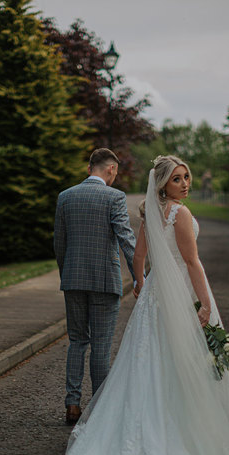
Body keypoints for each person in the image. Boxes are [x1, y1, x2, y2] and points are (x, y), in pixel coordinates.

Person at [56, 155, 229, 455]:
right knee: (178, 356)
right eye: (177, 179)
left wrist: (141, 283)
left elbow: (139, 255)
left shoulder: (152, 211)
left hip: (153, 291)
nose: (185, 184)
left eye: (186, 177)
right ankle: (182, 426)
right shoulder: (179, 212)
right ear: (163, 183)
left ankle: (104, 413)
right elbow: (191, 262)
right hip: (179, 289)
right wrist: (205, 302)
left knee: (142, 356)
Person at [53, 148, 137, 425]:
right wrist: (141, 274)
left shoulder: (65, 197)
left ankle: (72, 405)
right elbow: (125, 238)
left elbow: (60, 243)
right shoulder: (115, 197)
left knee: (77, 341)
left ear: (90, 168)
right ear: (111, 169)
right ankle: (100, 407)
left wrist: (68, 274)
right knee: (100, 346)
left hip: (73, 280)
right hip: (104, 281)